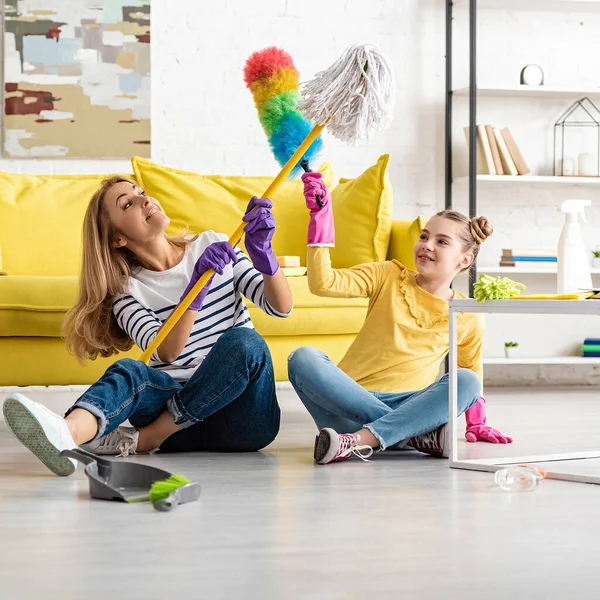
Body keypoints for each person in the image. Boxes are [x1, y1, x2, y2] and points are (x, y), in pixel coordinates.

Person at [2, 177, 292, 476]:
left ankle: (147, 439)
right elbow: (167, 352)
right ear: (117, 239)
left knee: (246, 343)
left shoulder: (213, 244)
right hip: (175, 418)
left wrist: (264, 254)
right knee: (130, 371)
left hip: (241, 423)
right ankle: (68, 435)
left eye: (141, 193)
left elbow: (280, 307)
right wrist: (196, 287)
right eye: (127, 203)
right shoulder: (125, 292)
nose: (143, 200)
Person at [287, 171, 511, 465]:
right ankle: (412, 437)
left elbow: (471, 371)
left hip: (409, 405)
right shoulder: (387, 275)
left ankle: (361, 441)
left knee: (466, 380)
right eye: (424, 236)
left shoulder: (467, 314)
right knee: (302, 358)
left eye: (442, 242)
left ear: (465, 260)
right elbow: (323, 283)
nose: (427, 245)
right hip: (346, 406)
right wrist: (320, 220)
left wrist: (476, 423)